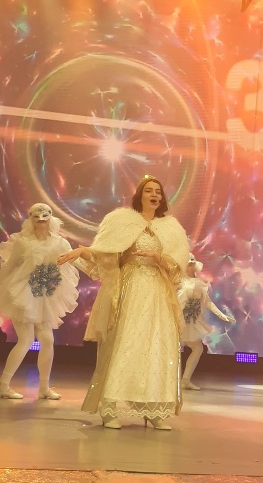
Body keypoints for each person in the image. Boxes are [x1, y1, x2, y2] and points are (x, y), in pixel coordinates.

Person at [59, 176, 189, 429]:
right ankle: (109, 408)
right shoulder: (122, 220)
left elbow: (177, 267)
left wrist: (158, 257)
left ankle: (154, 409)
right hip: (130, 288)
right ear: (140, 195)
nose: (154, 195)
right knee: (125, 343)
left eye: (158, 191)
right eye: (149, 191)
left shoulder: (171, 227)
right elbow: (105, 254)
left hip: (158, 292)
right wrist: (83, 251)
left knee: (156, 347)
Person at [0, 203, 80, 400]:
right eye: (36, 216)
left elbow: (76, 261)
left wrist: (100, 272)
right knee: (26, 340)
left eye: (45, 216)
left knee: (48, 340)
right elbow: (8, 268)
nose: (41, 219)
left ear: (51, 218)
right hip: (24, 294)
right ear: (30, 219)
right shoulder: (24, 242)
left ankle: (44, 388)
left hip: (45, 294)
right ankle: (3, 386)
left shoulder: (60, 243)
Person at [178, 255, 236, 390]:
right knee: (174, 350)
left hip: (191, 321)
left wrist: (222, 315)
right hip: (178, 319)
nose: (190, 264)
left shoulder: (199, 284)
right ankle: (171, 381)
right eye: (188, 262)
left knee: (197, 349)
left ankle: (185, 380)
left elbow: (208, 302)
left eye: (192, 262)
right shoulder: (178, 281)